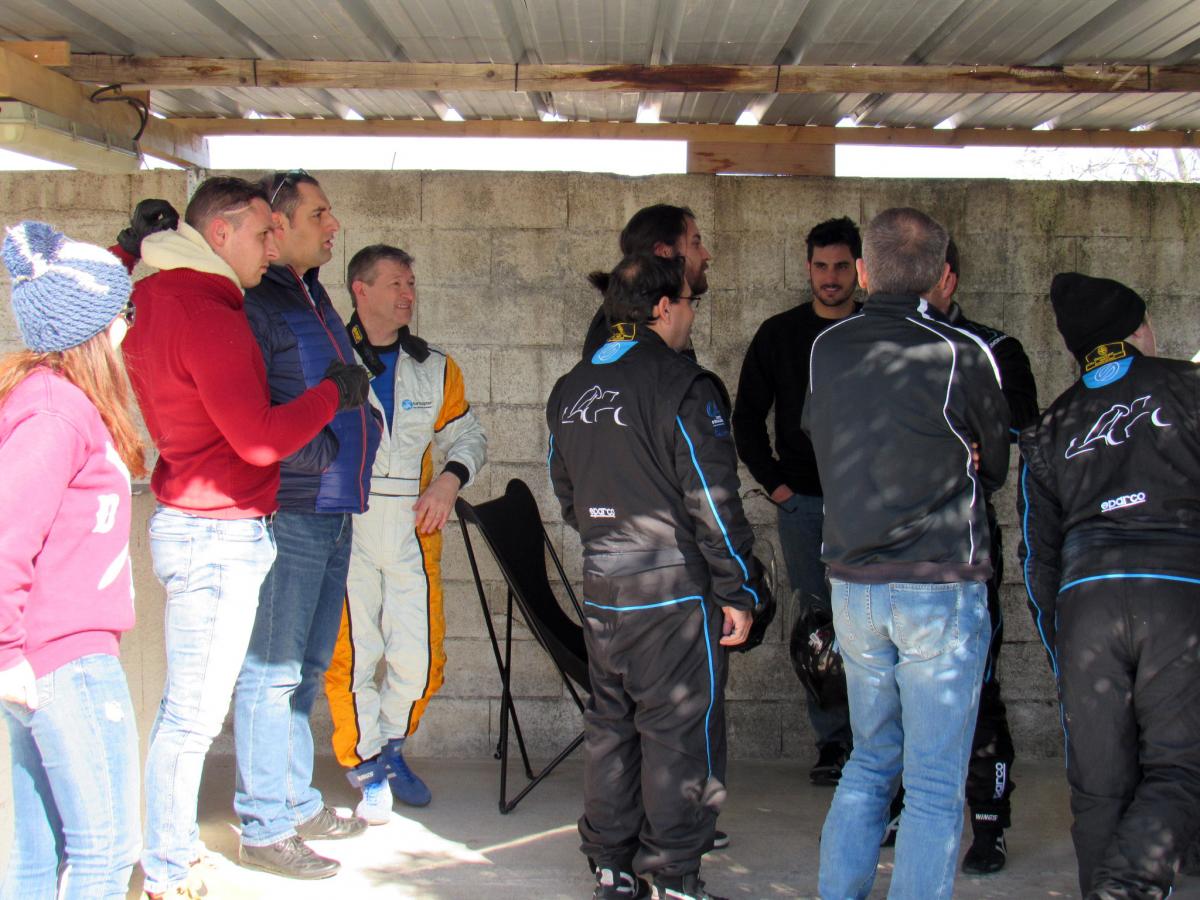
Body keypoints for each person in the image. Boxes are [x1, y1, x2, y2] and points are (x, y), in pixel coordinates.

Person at [118, 178, 368, 900]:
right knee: (195, 716)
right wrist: (332, 396)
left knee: (202, 709)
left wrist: (131, 248)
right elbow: (259, 439)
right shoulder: (208, 310)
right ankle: (175, 864)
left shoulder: (165, 294)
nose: (271, 246)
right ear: (220, 233)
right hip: (217, 527)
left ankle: (199, 847)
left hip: (210, 521)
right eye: (262, 233)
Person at [803, 207, 1010, 900]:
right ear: (940, 276)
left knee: (869, 761)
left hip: (855, 583)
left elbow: (818, 431)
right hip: (939, 585)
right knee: (933, 782)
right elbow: (995, 462)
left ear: (863, 271)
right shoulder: (962, 352)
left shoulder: (827, 347)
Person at [548, 253, 763, 900]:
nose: (692, 315)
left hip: (604, 585)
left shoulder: (571, 387)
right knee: (679, 736)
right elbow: (713, 503)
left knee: (611, 727)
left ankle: (611, 870)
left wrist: (612, 539)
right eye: (690, 302)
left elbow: (568, 493)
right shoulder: (683, 384)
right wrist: (740, 589)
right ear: (664, 307)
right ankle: (673, 879)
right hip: (672, 595)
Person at [1019, 272, 1200, 899]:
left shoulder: (1049, 426)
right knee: (1182, 765)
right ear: (1138, 331)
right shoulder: (1189, 387)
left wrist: (1060, 645)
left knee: (1098, 786)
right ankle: (1125, 886)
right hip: (1178, 591)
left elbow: (1037, 558)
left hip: (1085, 604)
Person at [233, 170, 381, 879]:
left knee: (308, 668)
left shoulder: (310, 293)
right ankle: (264, 826)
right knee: (271, 670)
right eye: (319, 214)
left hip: (332, 507)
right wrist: (320, 449)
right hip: (293, 508)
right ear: (280, 225)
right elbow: (254, 411)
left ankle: (294, 801)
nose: (333, 225)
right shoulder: (259, 302)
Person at [882, 237, 1039, 873]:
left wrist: (972, 439)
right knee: (892, 685)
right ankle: (902, 806)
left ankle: (990, 822)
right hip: (887, 542)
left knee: (975, 685)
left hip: (965, 544)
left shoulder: (994, 347)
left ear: (945, 278)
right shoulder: (877, 343)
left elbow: (1019, 428)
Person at [0, 222, 143, 899]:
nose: (128, 324)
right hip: (64, 662)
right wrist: (6, 653)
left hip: (47, 658)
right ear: (93, 326)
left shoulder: (61, 404)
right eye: (123, 310)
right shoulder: (55, 413)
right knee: (106, 852)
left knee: (41, 853)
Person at [324, 245, 487, 821]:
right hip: (344, 524)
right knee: (353, 656)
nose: (408, 294)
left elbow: (470, 437)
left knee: (420, 660)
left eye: (411, 283)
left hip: (414, 528)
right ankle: (365, 763)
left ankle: (392, 746)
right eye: (395, 283)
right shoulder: (327, 355)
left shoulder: (435, 366)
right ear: (360, 289)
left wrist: (449, 480)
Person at [732, 215, 860, 786]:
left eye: (841, 266)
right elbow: (745, 419)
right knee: (817, 627)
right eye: (821, 266)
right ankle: (833, 743)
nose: (831, 277)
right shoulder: (779, 334)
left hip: (871, 509)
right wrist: (778, 488)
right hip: (803, 506)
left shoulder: (877, 330)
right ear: (807, 268)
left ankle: (877, 744)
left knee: (872, 624)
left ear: (859, 269)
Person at [582, 203, 712, 360]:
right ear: (663, 252)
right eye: (695, 244)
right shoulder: (619, 326)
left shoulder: (649, 319)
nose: (706, 255)